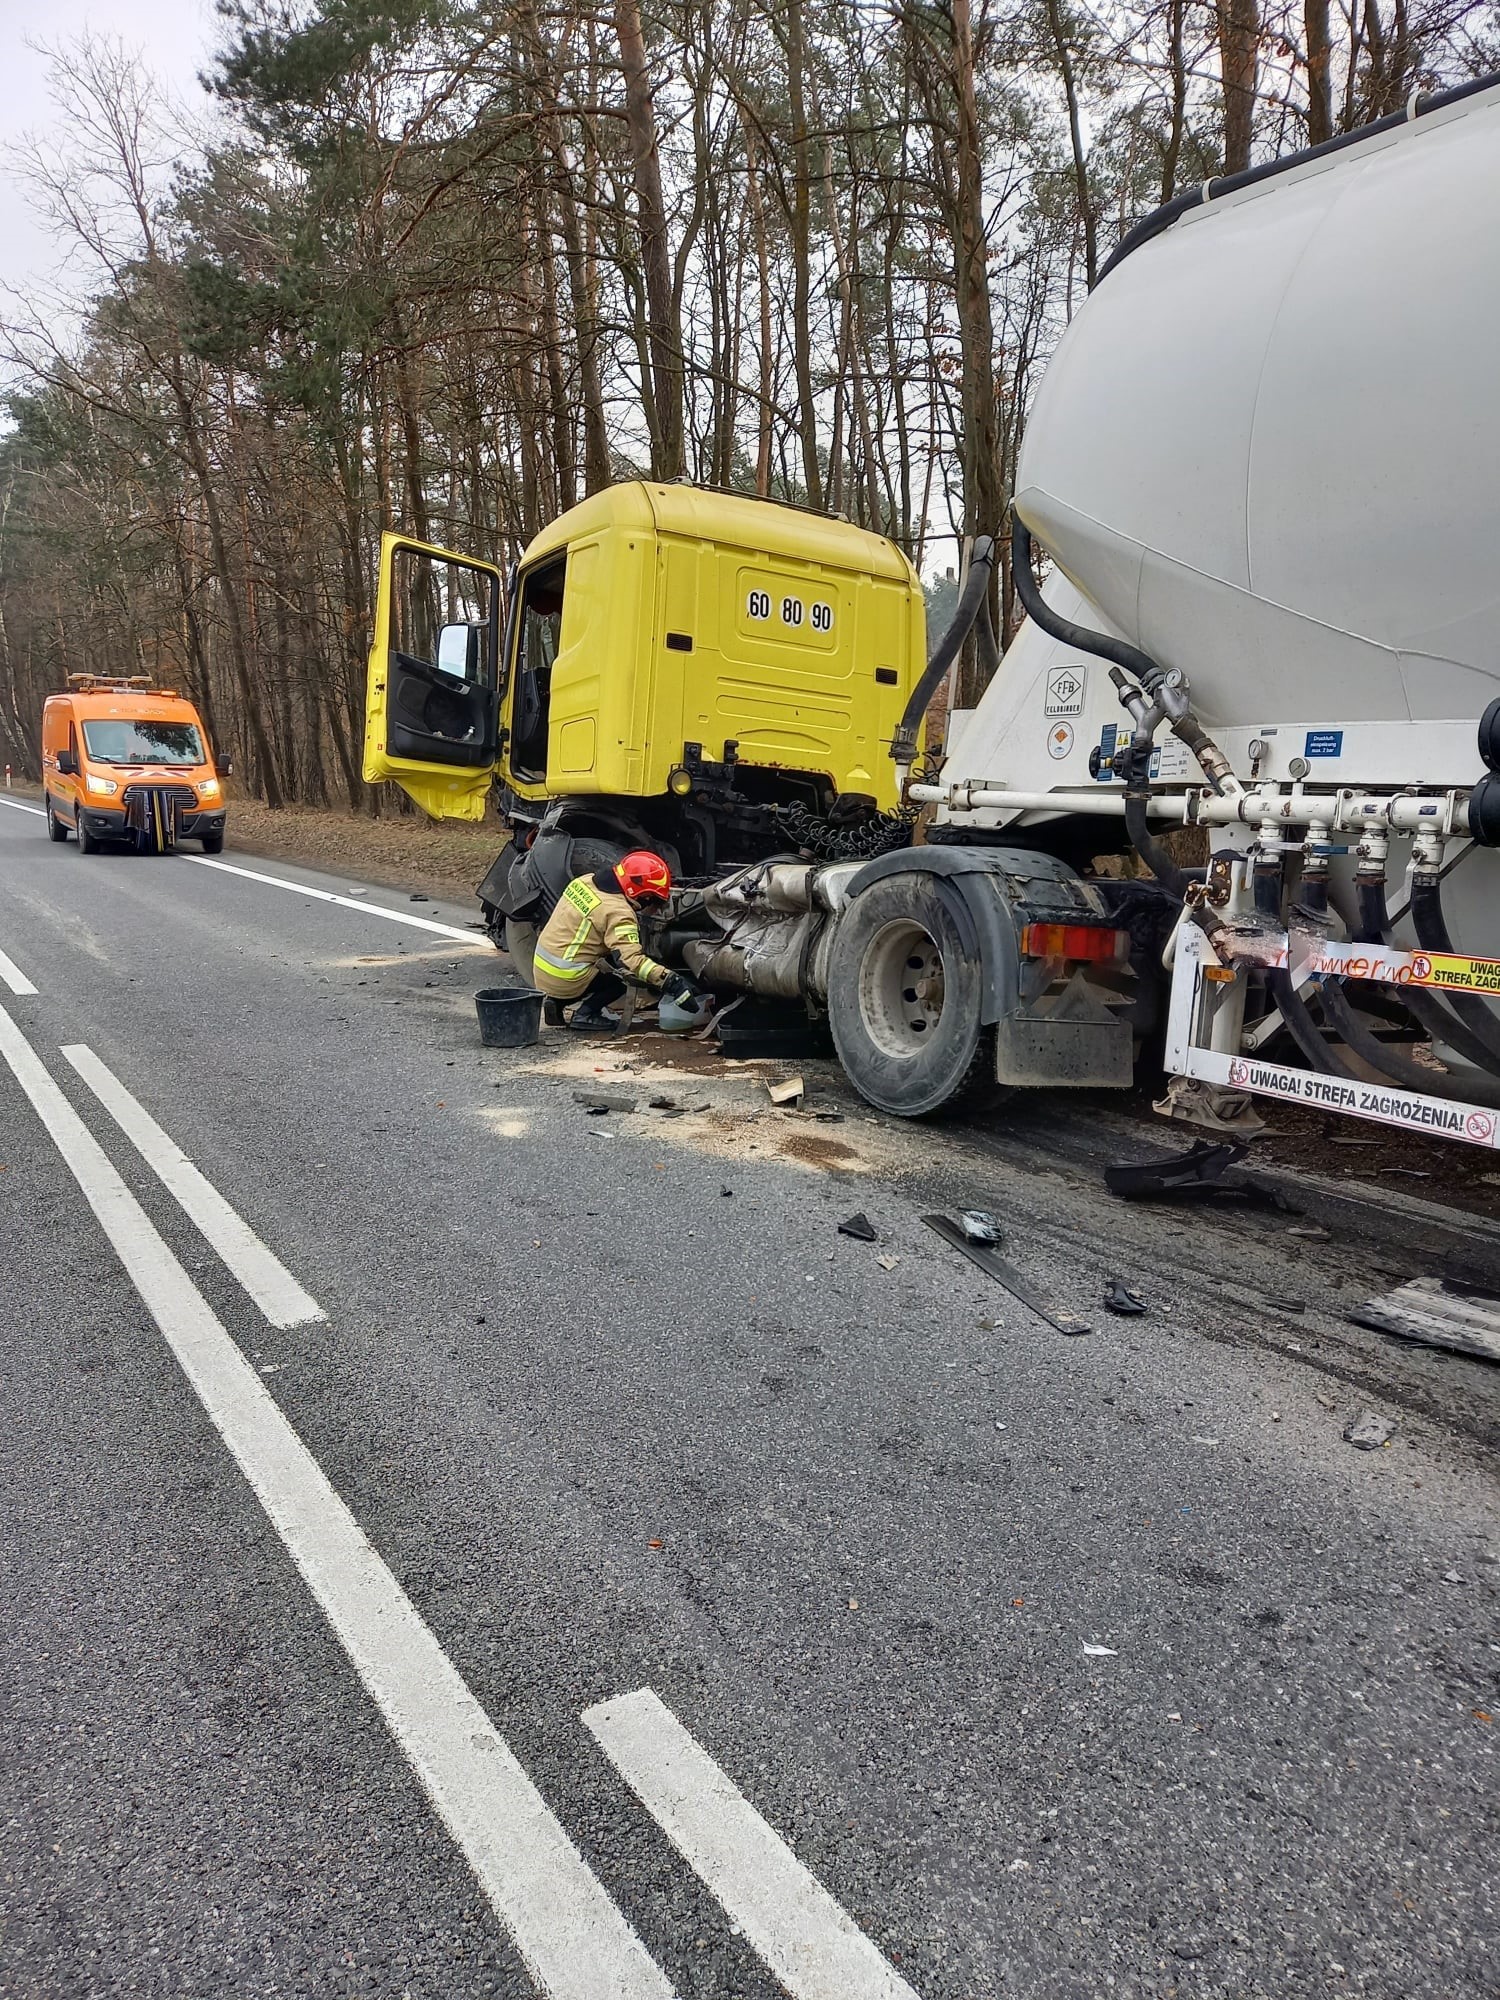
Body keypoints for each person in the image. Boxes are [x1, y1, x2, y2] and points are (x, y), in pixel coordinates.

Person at [531, 849, 698, 1030]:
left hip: (543, 970)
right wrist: (671, 982)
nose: (652, 906)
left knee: (603, 955)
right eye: (652, 900)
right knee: (623, 977)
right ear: (642, 895)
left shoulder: (585, 881)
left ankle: (556, 1002)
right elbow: (631, 961)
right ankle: (586, 1014)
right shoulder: (619, 912)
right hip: (567, 977)